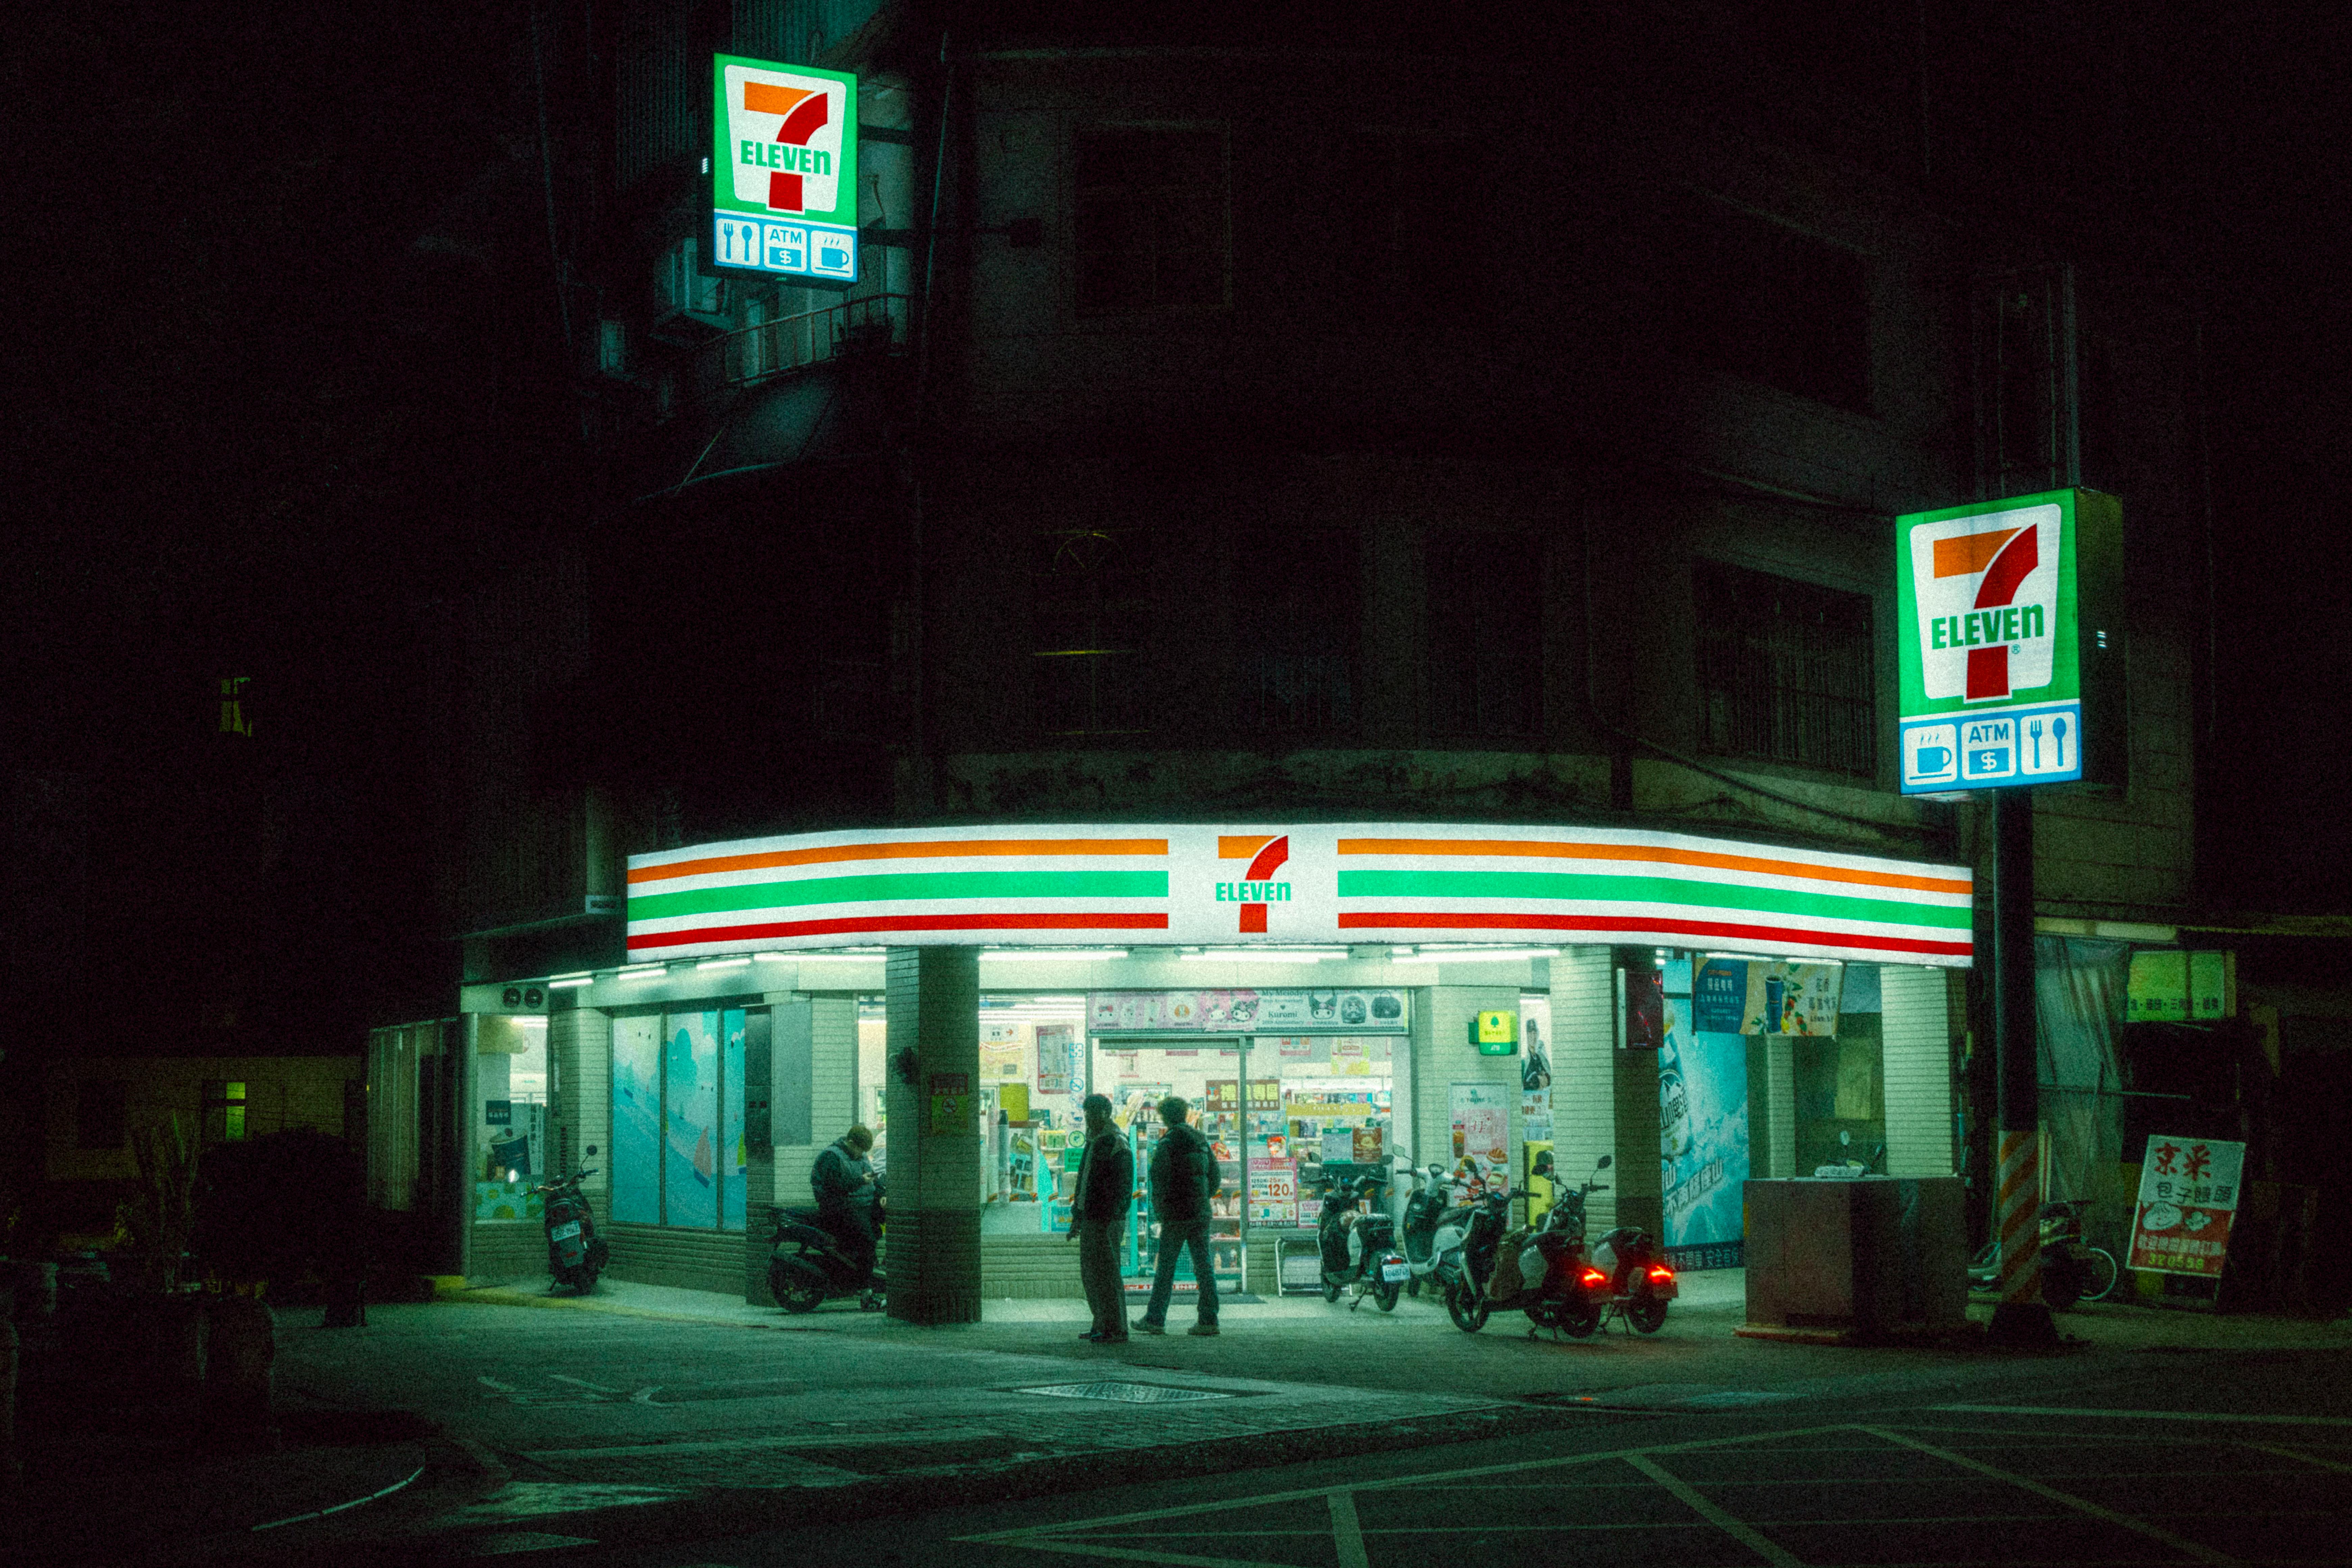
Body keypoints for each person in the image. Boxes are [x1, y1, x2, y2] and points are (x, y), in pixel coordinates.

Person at [1133, 1096, 1221, 1337]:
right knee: (1204, 1266)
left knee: (1166, 1268)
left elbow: (1159, 1180)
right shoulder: (1200, 1140)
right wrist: (1202, 1197)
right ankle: (1209, 1320)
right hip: (1200, 1213)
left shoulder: (1168, 1143)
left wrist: (1161, 1210)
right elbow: (1215, 1175)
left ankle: (1155, 1319)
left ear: (1165, 1117)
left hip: (1176, 1214)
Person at [1070, 1093, 1135, 1343]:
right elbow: (1085, 1181)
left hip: (1106, 1220)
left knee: (1107, 1274)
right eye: (1087, 1114)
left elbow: (1124, 1185)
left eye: (1094, 1114)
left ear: (1106, 1114)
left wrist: (1113, 1215)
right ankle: (1101, 1323)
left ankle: (1116, 1328)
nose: (1089, 1119)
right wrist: (1078, 1215)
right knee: (1092, 1275)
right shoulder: (1094, 1142)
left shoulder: (1116, 1142)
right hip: (1091, 1218)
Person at [811, 1124, 883, 1310]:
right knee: (867, 1241)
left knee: (876, 1231)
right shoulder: (831, 1157)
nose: (862, 1154)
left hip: (862, 1205)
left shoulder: (861, 1156)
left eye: (864, 1151)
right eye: (860, 1149)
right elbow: (834, 1188)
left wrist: (881, 1193)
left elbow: (872, 1180)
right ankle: (867, 1293)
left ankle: (870, 1270)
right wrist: (861, 1181)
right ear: (850, 1142)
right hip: (839, 1208)